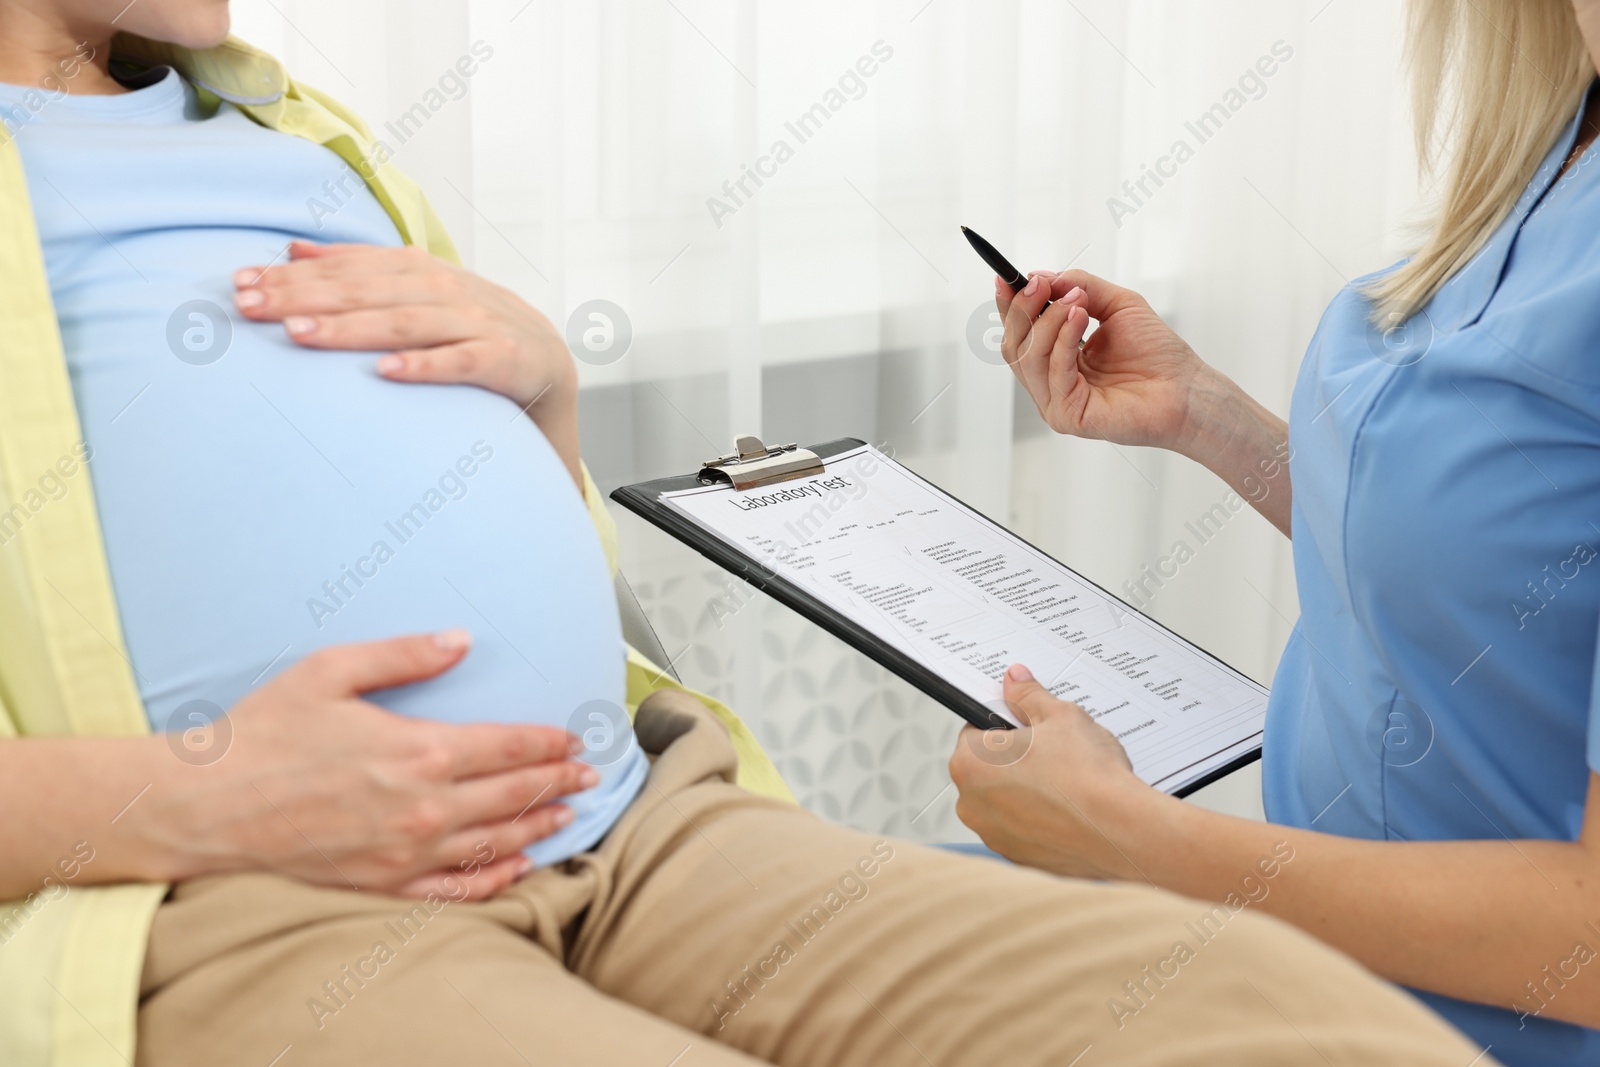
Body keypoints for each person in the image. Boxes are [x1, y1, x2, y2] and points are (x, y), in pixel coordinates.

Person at [0, 3, 1491, 1066]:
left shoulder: (287, 128)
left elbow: (491, 522)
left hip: (638, 821)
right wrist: (190, 794)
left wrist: (550, 396)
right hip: (263, 905)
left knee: (1281, 1020)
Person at [949, 1, 1600, 1064]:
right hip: (1293, 963)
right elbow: (1485, 567)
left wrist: (1130, 837)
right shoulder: (1557, 134)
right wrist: (1200, 410)